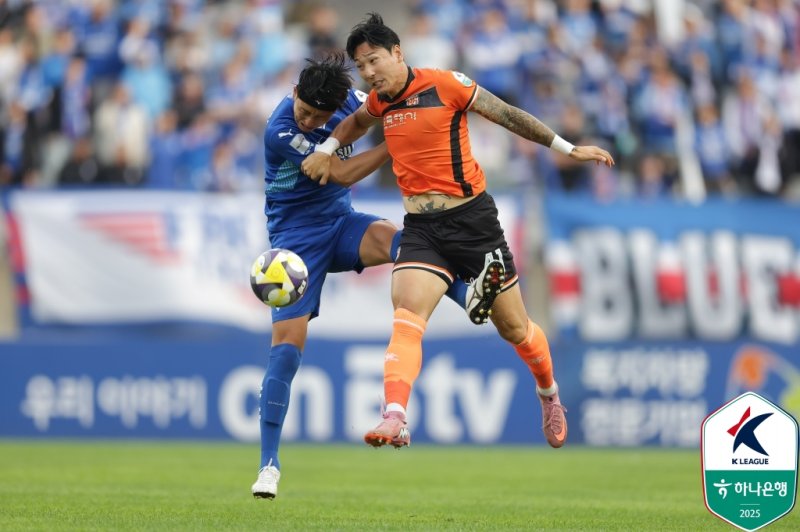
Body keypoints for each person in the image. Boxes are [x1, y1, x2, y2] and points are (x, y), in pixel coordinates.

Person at [302, 13, 615, 451]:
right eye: (362, 67)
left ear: (397, 53)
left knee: (516, 329)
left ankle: (549, 394)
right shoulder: (379, 102)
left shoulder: (446, 84)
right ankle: (395, 415)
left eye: (374, 61)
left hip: (474, 223)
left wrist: (568, 148)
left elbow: (506, 113)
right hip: (422, 229)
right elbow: (354, 123)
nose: (369, 73)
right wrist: (330, 147)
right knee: (407, 315)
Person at [251, 52, 499, 500]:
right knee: (286, 351)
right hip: (294, 244)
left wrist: (411, 122)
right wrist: (396, 143)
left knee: (407, 243)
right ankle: (269, 464)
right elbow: (342, 171)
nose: (307, 121)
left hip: (341, 224)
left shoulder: (354, 101)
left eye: (316, 116)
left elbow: (394, 107)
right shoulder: (281, 130)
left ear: (336, 108)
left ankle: (471, 295)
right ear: (294, 95)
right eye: (303, 110)